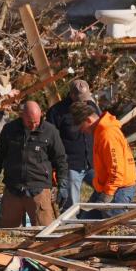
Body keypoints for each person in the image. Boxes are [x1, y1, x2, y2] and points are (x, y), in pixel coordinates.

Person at [0, 100, 69, 227]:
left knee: (44, 233)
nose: (34, 125)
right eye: (30, 122)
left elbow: (61, 159)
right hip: (13, 187)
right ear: (22, 116)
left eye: (37, 121)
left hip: (39, 188)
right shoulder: (9, 130)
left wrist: (63, 185)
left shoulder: (50, 131)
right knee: (6, 233)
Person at [69, 101, 136, 218]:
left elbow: (117, 171)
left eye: (81, 127)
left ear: (89, 120)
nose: (81, 131)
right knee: (87, 222)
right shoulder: (100, 132)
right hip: (107, 186)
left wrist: (107, 195)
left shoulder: (107, 135)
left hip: (119, 188)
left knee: (114, 225)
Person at [46, 80, 101, 211]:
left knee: (104, 190)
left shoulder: (92, 105)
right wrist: (56, 167)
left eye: (85, 98)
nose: (83, 101)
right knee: (71, 206)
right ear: (71, 94)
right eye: (80, 99)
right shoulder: (56, 112)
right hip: (71, 165)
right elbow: (51, 141)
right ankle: (72, 225)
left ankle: (89, 215)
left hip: (93, 162)